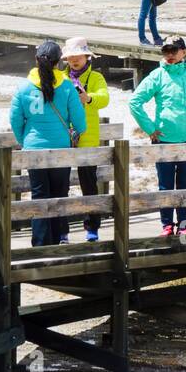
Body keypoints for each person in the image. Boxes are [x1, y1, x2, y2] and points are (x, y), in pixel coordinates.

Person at [129, 35, 186, 239]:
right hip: (163, 140)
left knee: (185, 185)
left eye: (174, 50)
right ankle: (167, 225)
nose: (169, 55)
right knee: (165, 185)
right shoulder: (157, 75)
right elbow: (135, 102)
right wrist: (149, 128)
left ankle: (184, 225)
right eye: (166, 51)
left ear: (183, 52)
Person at [10, 39, 86, 247]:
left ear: (36, 60)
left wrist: (24, 140)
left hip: (33, 148)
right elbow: (80, 123)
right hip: (60, 148)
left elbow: (15, 120)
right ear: (58, 62)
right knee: (59, 194)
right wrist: (76, 132)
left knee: (39, 195)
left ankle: (41, 243)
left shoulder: (24, 87)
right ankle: (58, 239)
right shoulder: (67, 86)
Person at [60, 37, 110, 241]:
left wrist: (89, 98)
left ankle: (92, 229)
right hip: (64, 137)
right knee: (60, 186)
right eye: (70, 56)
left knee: (89, 185)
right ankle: (62, 230)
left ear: (87, 56)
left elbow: (105, 98)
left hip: (88, 139)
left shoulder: (96, 77)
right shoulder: (60, 77)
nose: (74, 60)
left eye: (77, 55)